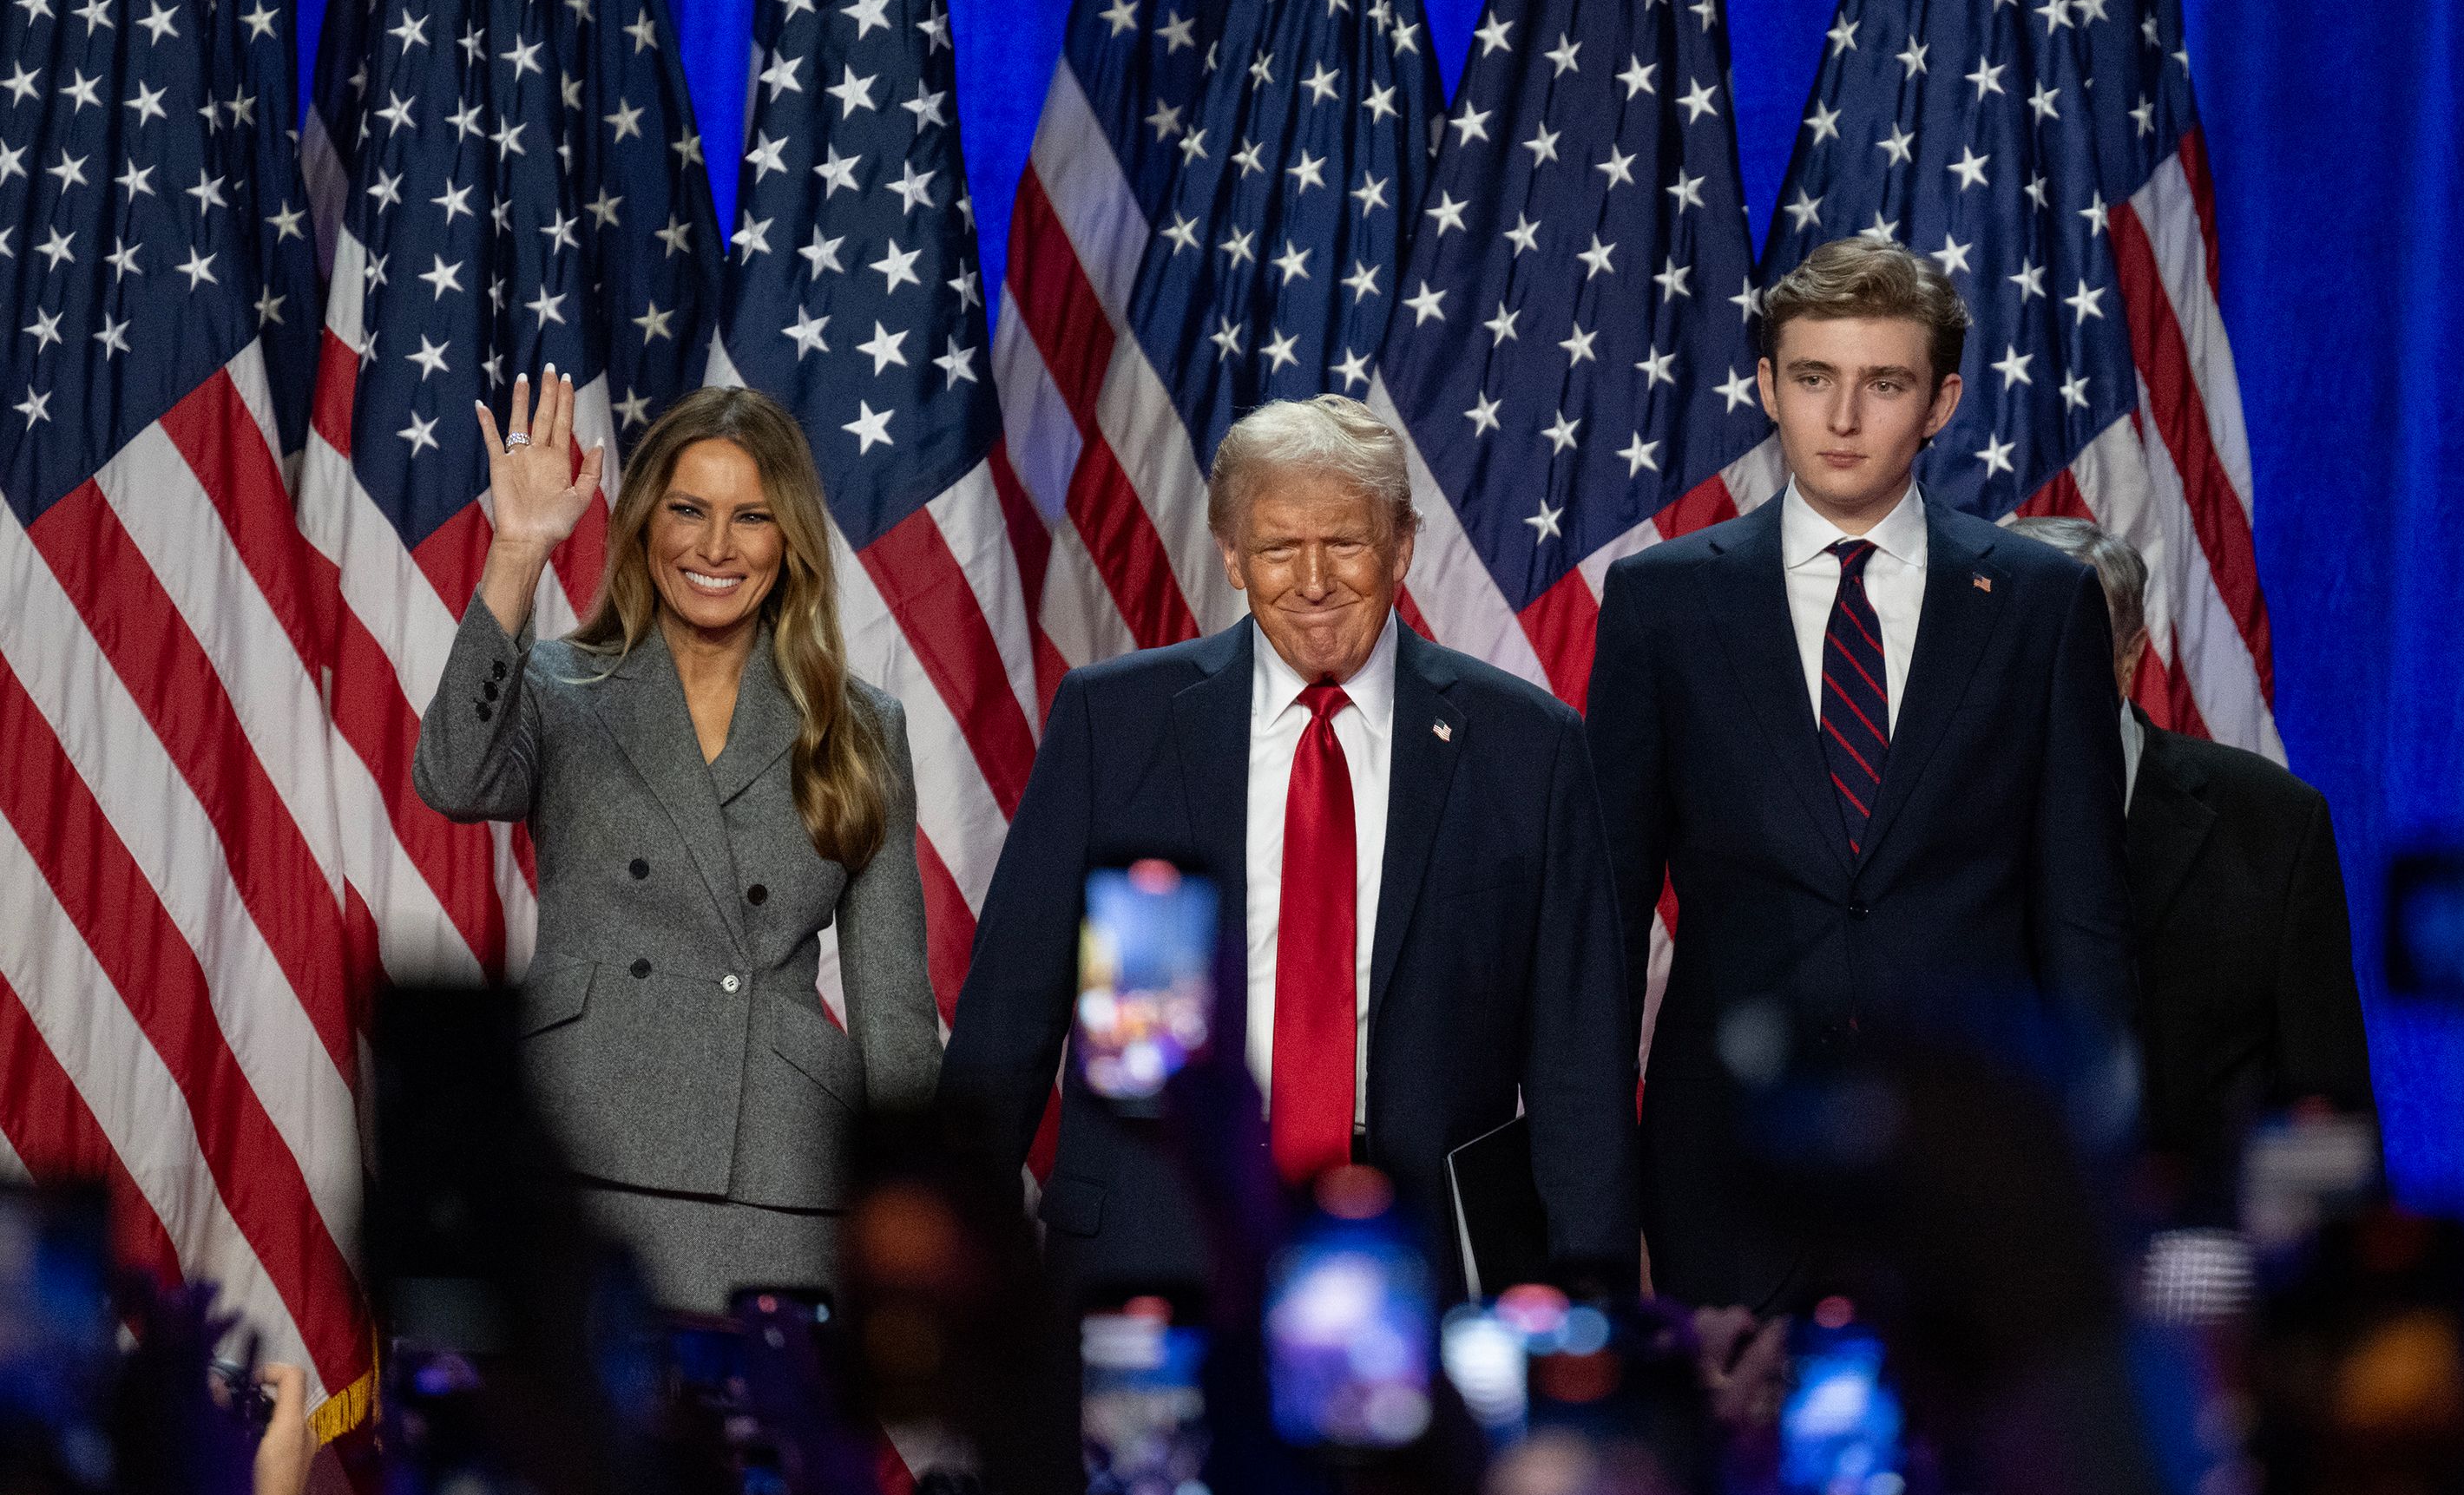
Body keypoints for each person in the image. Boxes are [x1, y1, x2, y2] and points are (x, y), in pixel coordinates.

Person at [941, 395, 1638, 1298]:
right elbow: (1009, 1016)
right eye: (1276, 547)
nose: (1313, 579)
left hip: (1412, 1254)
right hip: (1153, 1244)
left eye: (1345, 541)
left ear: (1401, 544)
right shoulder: (1113, 724)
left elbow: (1579, 1066)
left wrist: (1592, 1318)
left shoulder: (1527, 746)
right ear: (1231, 554)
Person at [1586, 239, 2134, 1309]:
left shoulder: (2036, 602)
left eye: (1883, 384)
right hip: (1728, 1156)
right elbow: (1605, 906)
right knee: (1733, 1468)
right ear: (1766, 387)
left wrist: (2093, 1165)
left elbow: (2083, 917)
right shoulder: (1661, 601)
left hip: (1972, 1157)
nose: (1843, 419)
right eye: (1813, 379)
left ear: (1940, 402)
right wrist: (1591, 1172)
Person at [413, 374, 939, 1311]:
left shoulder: (860, 727)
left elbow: (894, 1011)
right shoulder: (558, 687)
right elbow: (453, 776)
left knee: (755, 1456)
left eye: (752, 517)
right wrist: (519, 551)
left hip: (777, 1173)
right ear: (645, 522)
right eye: (688, 510)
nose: (714, 546)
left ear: (791, 543)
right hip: (573, 1144)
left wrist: (913, 1213)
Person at [2011, 516, 2374, 1223]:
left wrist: (2314, 1313)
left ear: (2128, 657)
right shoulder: (1903, 815)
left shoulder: (2270, 822)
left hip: (2193, 1270)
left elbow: (2319, 1109)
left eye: (2066, 641)